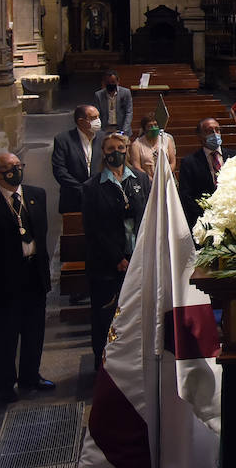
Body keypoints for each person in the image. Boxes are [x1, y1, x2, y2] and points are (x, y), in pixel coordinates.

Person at [0, 153, 54, 404]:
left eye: (18, 166)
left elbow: (41, 235)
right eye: (8, 169)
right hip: (4, 282)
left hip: (34, 274)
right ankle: (4, 385)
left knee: (34, 330)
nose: (15, 172)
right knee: (5, 335)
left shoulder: (37, 195)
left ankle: (30, 376)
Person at [82, 133, 150, 368]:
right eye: (111, 148)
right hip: (107, 263)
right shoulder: (92, 187)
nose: (116, 152)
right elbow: (94, 229)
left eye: (121, 147)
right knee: (106, 316)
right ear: (103, 152)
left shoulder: (141, 179)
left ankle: (134, 362)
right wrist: (117, 258)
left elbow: (146, 218)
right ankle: (103, 363)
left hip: (137, 259)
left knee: (136, 315)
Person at [179, 118, 228, 230]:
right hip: (204, 220)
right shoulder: (189, 162)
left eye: (217, 130)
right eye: (209, 131)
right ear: (200, 136)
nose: (215, 134)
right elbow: (186, 196)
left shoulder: (234, 156)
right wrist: (206, 215)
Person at [128, 113, 177, 179]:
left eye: (155, 125)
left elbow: (173, 162)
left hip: (166, 178)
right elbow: (136, 166)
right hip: (147, 180)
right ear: (144, 129)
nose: (153, 128)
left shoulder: (167, 139)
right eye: (150, 126)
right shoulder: (136, 144)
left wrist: (164, 176)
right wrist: (149, 179)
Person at [94, 70, 133, 136]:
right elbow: (97, 114)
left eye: (113, 82)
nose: (110, 84)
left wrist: (124, 130)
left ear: (117, 82)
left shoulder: (125, 93)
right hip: (105, 129)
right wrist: (99, 130)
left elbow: (129, 112)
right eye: (108, 82)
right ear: (104, 83)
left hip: (121, 128)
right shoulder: (98, 95)